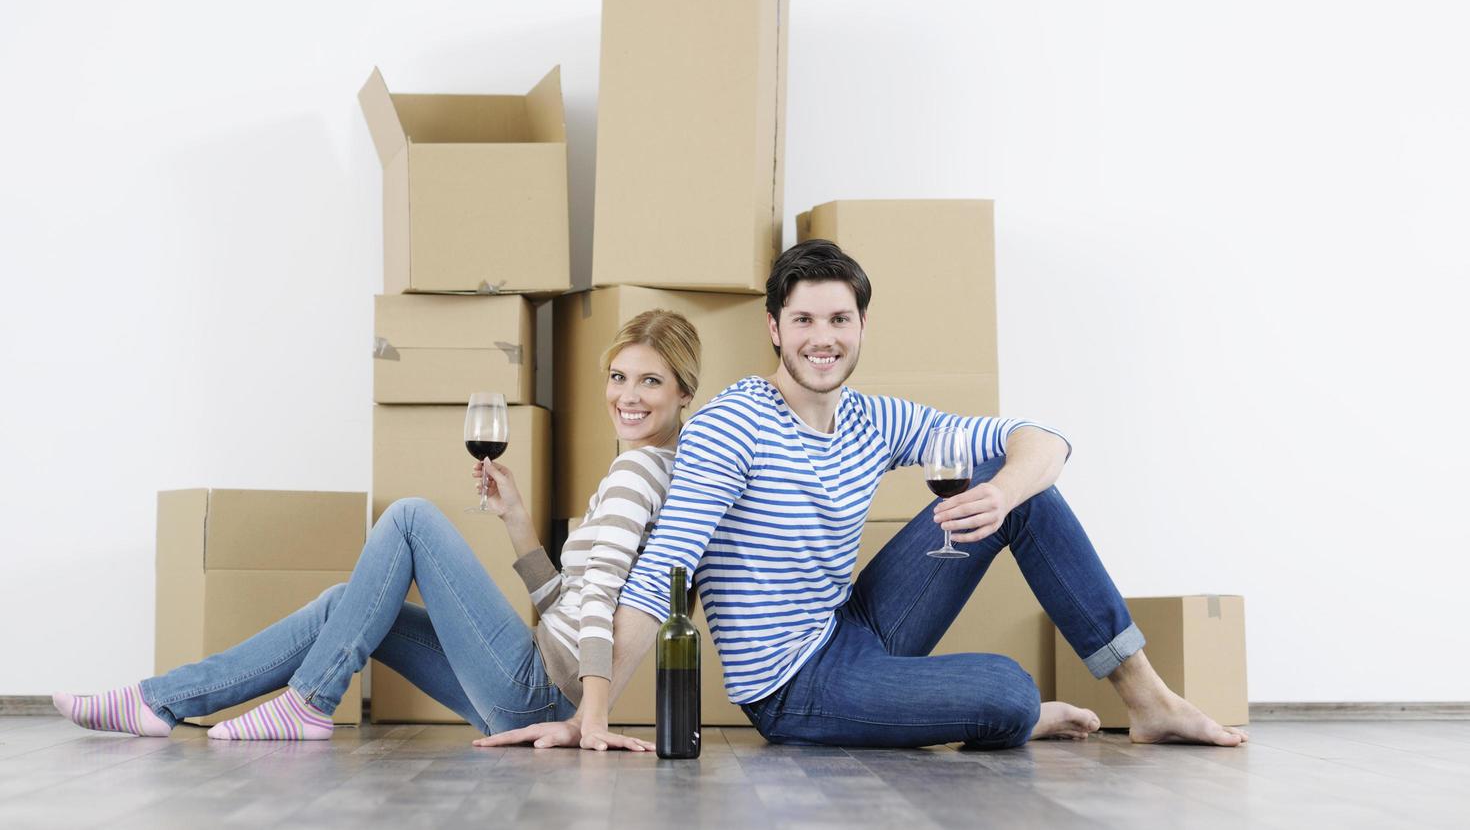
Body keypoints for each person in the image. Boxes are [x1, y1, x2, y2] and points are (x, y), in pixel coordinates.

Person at [486, 240, 1249, 751]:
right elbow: (661, 576)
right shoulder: (730, 426)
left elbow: (1041, 439)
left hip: (853, 626)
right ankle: (999, 711)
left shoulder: (873, 417)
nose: (825, 338)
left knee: (1024, 495)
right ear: (775, 331)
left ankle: (1148, 701)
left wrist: (1005, 490)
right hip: (792, 684)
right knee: (1013, 692)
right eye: (805, 320)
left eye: (839, 319)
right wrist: (588, 716)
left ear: (860, 325)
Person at [54, 310, 702, 752]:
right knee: (345, 604)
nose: (628, 394)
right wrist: (517, 524)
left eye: (651, 380)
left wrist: (590, 717)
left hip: (539, 690)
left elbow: (598, 602)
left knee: (412, 517)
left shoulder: (636, 473)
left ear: (683, 394)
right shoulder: (657, 470)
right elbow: (575, 604)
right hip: (538, 691)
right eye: (618, 376)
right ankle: (158, 700)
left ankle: (310, 699)